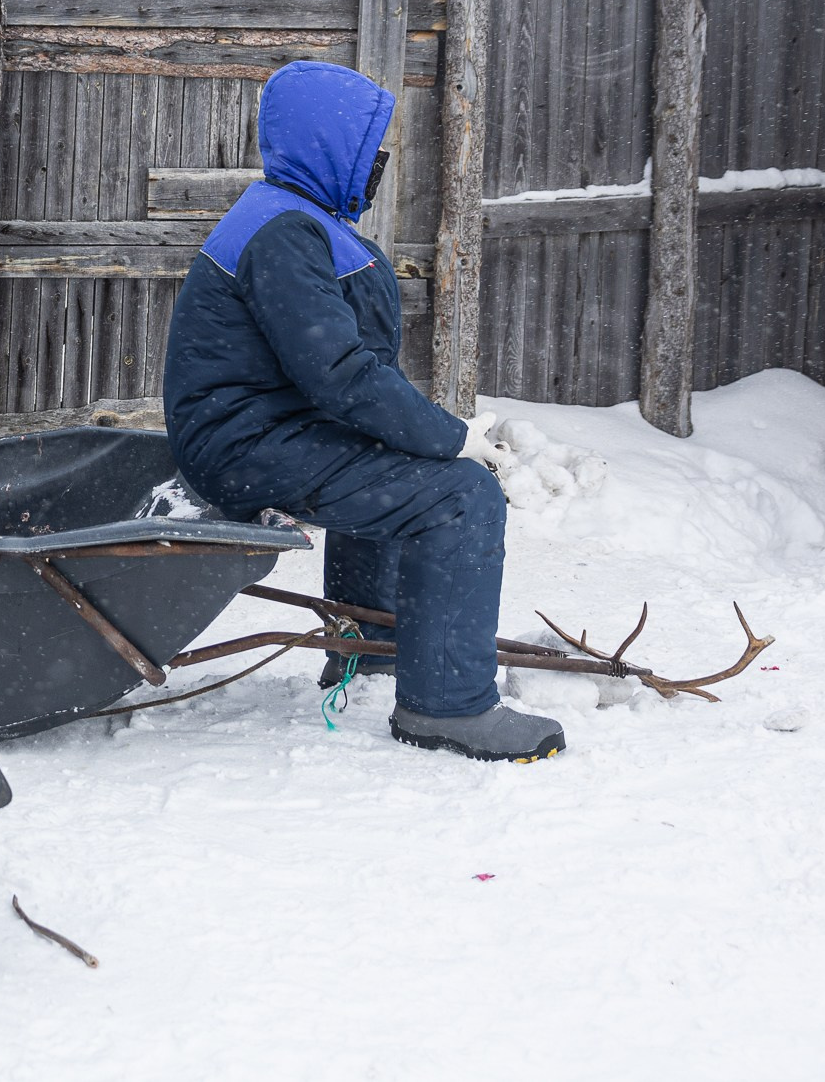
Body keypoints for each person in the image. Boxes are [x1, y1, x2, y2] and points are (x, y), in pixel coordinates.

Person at [161, 60, 562, 763]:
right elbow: (341, 373)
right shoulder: (283, 231)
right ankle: (449, 708)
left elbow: (339, 375)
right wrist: (452, 439)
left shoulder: (293, 219)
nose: (378, 162)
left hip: (259, 434)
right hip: (247, 445)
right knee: (460, 495)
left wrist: (422, 435)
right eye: (368, 147)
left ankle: (369, 648)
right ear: (328, 145)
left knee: (399, 466)